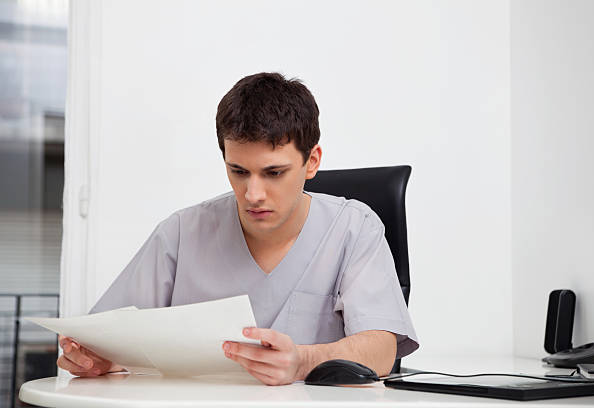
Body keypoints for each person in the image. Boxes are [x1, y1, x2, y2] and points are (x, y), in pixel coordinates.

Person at [57, 72, 418, 385]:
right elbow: (105, 336)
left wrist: (301, 362)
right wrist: (97, 358)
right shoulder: (182, 232)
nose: (253, 194)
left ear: (312, 162)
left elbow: (381, 350)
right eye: (238, 172)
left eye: (274, 173)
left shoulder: (353, 228)